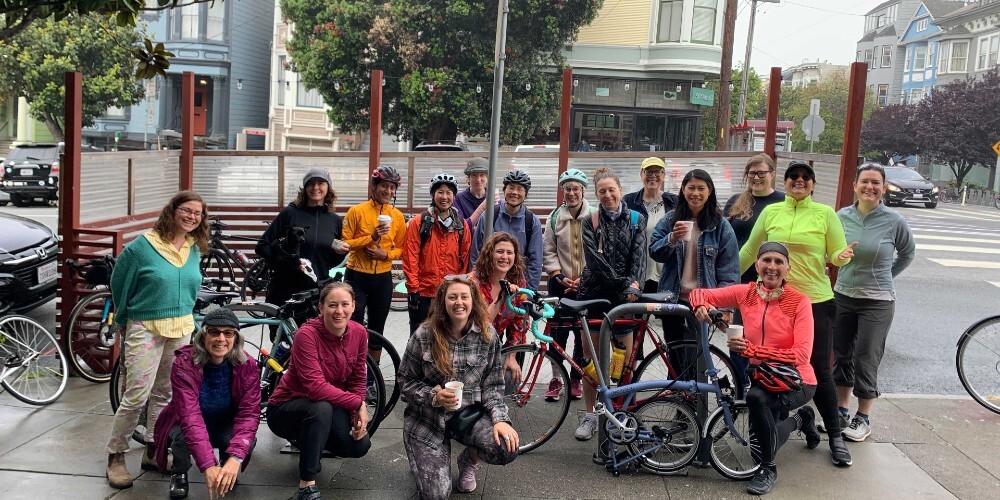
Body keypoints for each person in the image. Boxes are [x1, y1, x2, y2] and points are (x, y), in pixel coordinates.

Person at [738, 161, 855, 467]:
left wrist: (841, 257)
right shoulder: (772, 211)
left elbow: (835, 255)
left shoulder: (825, 214)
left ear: (813, 184)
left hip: (815, 301)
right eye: (793, 177)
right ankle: (791, 420)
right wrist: (723, 279)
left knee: (818, 368)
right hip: (775, 301)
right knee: (773, 364)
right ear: (786, 182)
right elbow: (751, 251)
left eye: (805, 178)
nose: (799, 181)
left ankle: (835, 436)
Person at [690, 242, 820, 495]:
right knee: (759, 443)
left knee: (756, 400)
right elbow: (700, 292)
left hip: (797, 380)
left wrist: (752, 351)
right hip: (763, 376)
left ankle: (768, 469)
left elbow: (801, 354)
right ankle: (801, 419)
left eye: (779, 262)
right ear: (757, 265)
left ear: (788, 269)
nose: (772, 267)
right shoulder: (746, 293)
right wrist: (700, 306)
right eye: (767, 260)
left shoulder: (799, 302)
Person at [105, 191, 208, 490]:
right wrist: (123, 319)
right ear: (172, 211)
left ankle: (154, 449)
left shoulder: (193, 248)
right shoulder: (143, 247)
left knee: (165, 394)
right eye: (186, 210)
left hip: (181, 327)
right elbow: (119, 282)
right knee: (136, 394)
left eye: (198, 213)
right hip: (145, 325)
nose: (192, 217)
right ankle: (116, 455)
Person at [398, 276, 518, 499]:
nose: (458, 302)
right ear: (443, 301)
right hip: (426, 421)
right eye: (452, 297)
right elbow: (404, 382)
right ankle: (424, 460)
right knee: (436, 495)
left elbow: (493, 387)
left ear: (473, 301)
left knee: (505, 447)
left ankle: (468, 459)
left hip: (466, 416)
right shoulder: (424, 334)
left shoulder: (487, 336)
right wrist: (434, 396)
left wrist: (500, 419)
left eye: (464, 297)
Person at [266, 282, 371, 500]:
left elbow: (358, 378)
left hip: (326, 405)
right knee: (320, 408)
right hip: (286, 407)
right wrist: (357, 404)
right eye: (332, 305)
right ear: (321, 308)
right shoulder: (307, 335)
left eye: (344, 304)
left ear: (353, 306)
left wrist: (355, 417)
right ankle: (306, 486)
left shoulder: (359, 333)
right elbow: (315, 388)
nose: (339, 311)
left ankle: (312, 445)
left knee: (359, 445)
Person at [833, 163, 915, 442]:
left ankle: (863, 417)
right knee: (842, 354)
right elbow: (830, 251)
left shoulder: (894, 221)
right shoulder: (841, 216)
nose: (870, 187)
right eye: (865, 181)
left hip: (877, 301)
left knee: (866, 357)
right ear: (855, 185)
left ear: (883, 187)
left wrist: (886, 276)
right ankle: (841, 411)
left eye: (876, 183)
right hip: (843, 295)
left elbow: (907, 255)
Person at [153, 308, 261, 499]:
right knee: (182, 437)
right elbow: (190, 417)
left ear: (236, 338)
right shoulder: (184, 364)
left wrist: (236, 457)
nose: (221, 338)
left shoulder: (248, 366)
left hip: (224, 423)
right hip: (187, 423)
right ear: (203, 336)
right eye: (214, 332)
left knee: (247, 439)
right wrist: (207, 465)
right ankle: (179, 471)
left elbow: (249, 415)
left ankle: (227, 462)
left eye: (228, 333)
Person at [574, 167, 647, 441]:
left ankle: (623, 412)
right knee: (592, 361)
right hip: (593, 295)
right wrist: (623, 284)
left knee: (625, 361)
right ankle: (591, 414)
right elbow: (593, 260)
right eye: (602, 191)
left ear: (620, 189)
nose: (607, 195)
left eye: (611, 189)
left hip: (625, 299)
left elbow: (640, 259)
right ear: (596, 194)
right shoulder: (590, 220)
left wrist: (635, 286)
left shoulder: (637, 219)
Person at [649, 169, 740, 364]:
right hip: (672, 298)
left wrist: (725, 307)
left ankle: (694, 395)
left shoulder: (721, 226)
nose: (695, 193)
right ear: (682, 190)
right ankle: (677, 393)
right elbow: (655, 252)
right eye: (691, 188)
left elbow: (729, 270)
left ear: (709, 192)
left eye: (701, 188)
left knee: (697, 357)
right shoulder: (670, 219)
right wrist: (672, 238)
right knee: (674, 355)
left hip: (703, 302)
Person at [723, 154, 785, 388]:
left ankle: (767, 383)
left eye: (761, 173)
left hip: (770, 281)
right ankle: (741, 383)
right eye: (752, 173)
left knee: (767, 336)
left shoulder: (782, 202)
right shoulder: (736, 202)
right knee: (739, 336)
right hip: (739, 279)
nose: (756, 177)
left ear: (772, 174)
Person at [256, 168, 348, 324]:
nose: (315, 187)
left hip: (316, 295)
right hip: (285, 290)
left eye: (320, 183)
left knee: (314, 344)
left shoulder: (334, 220)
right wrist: (288, 264)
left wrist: (339, 253)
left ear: (328, 188)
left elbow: (328, 260)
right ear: (304, 188)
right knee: (285, 345)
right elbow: (262, 245)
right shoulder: (291, 213)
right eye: (310, 184)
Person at [541, 168, 594, 401]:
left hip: (587, 284)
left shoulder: (595, 216)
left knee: (582, 335)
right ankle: (555, 378)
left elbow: (598, 251)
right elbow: (549, 250)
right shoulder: (554, 217)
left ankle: (576, 378)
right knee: (557, 334)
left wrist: (586, 277)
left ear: (583, 191)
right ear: (563, 191)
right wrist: (558, 274)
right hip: (560, 284)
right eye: (567, 189)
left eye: (576, 189)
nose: (571, 193)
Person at [342, 165, 406, 355]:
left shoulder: (397, 216)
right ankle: (352, 369)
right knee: (353, 326)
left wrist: (386, 255)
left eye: (392, 187)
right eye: (384, 186)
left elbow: (402, 248)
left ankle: (372, 377)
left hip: (383, 279)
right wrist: (372, 238)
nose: (388, 191)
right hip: (357, 276)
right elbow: (345, 243)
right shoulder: (356, 211)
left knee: (378, 329)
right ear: (374, 186)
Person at [403, 173, 472, 334]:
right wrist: (413, 289)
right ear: (432, 194)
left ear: (454, 196)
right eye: (440, 192)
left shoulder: (461, 225)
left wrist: (459, 287)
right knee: (419, 336)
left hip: (449, 292)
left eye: (449, 192)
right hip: (423, 292)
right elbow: (410, 257)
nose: (444, 197)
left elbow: (465, 258)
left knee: (448, 335)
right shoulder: (419, 222)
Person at [470, 169, 543, 291]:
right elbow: (476, 252)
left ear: (526, 194)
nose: (515, 192)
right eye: (511, 188)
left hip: (518, 285)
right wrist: (476, 284)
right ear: (504, 190)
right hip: (488, 283)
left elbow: (536, 261)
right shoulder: (489, 215)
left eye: (520, 189)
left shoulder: (532, 221)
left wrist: (529, 292)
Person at [471, 232, 529, 382]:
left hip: (495, 345)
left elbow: (521, 322)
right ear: (489, 254)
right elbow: (480, 324)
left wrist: (511, 356)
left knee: (509, 373)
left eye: (510, 252)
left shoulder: (518, 282)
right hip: (470, 345)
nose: (505, 257)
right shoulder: (473, 283)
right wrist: (501, 298)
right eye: (499, 252)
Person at [623, 157, 678, 293]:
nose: (653, 176)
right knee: (635, 313)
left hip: (666, 274)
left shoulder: (674, 202)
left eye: (658, 172)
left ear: (663, 176)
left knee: (666, 313)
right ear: (641, 174)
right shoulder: (629, 202)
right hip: (636, 275)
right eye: (648, 172)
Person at [454, 158, 489, 225]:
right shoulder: (458, 199)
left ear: (487, 178)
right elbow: (461, 227)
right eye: (474, 175)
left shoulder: (494, 199)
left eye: (482, 175)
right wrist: (482, 207)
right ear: (468, 178)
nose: (478, 180)